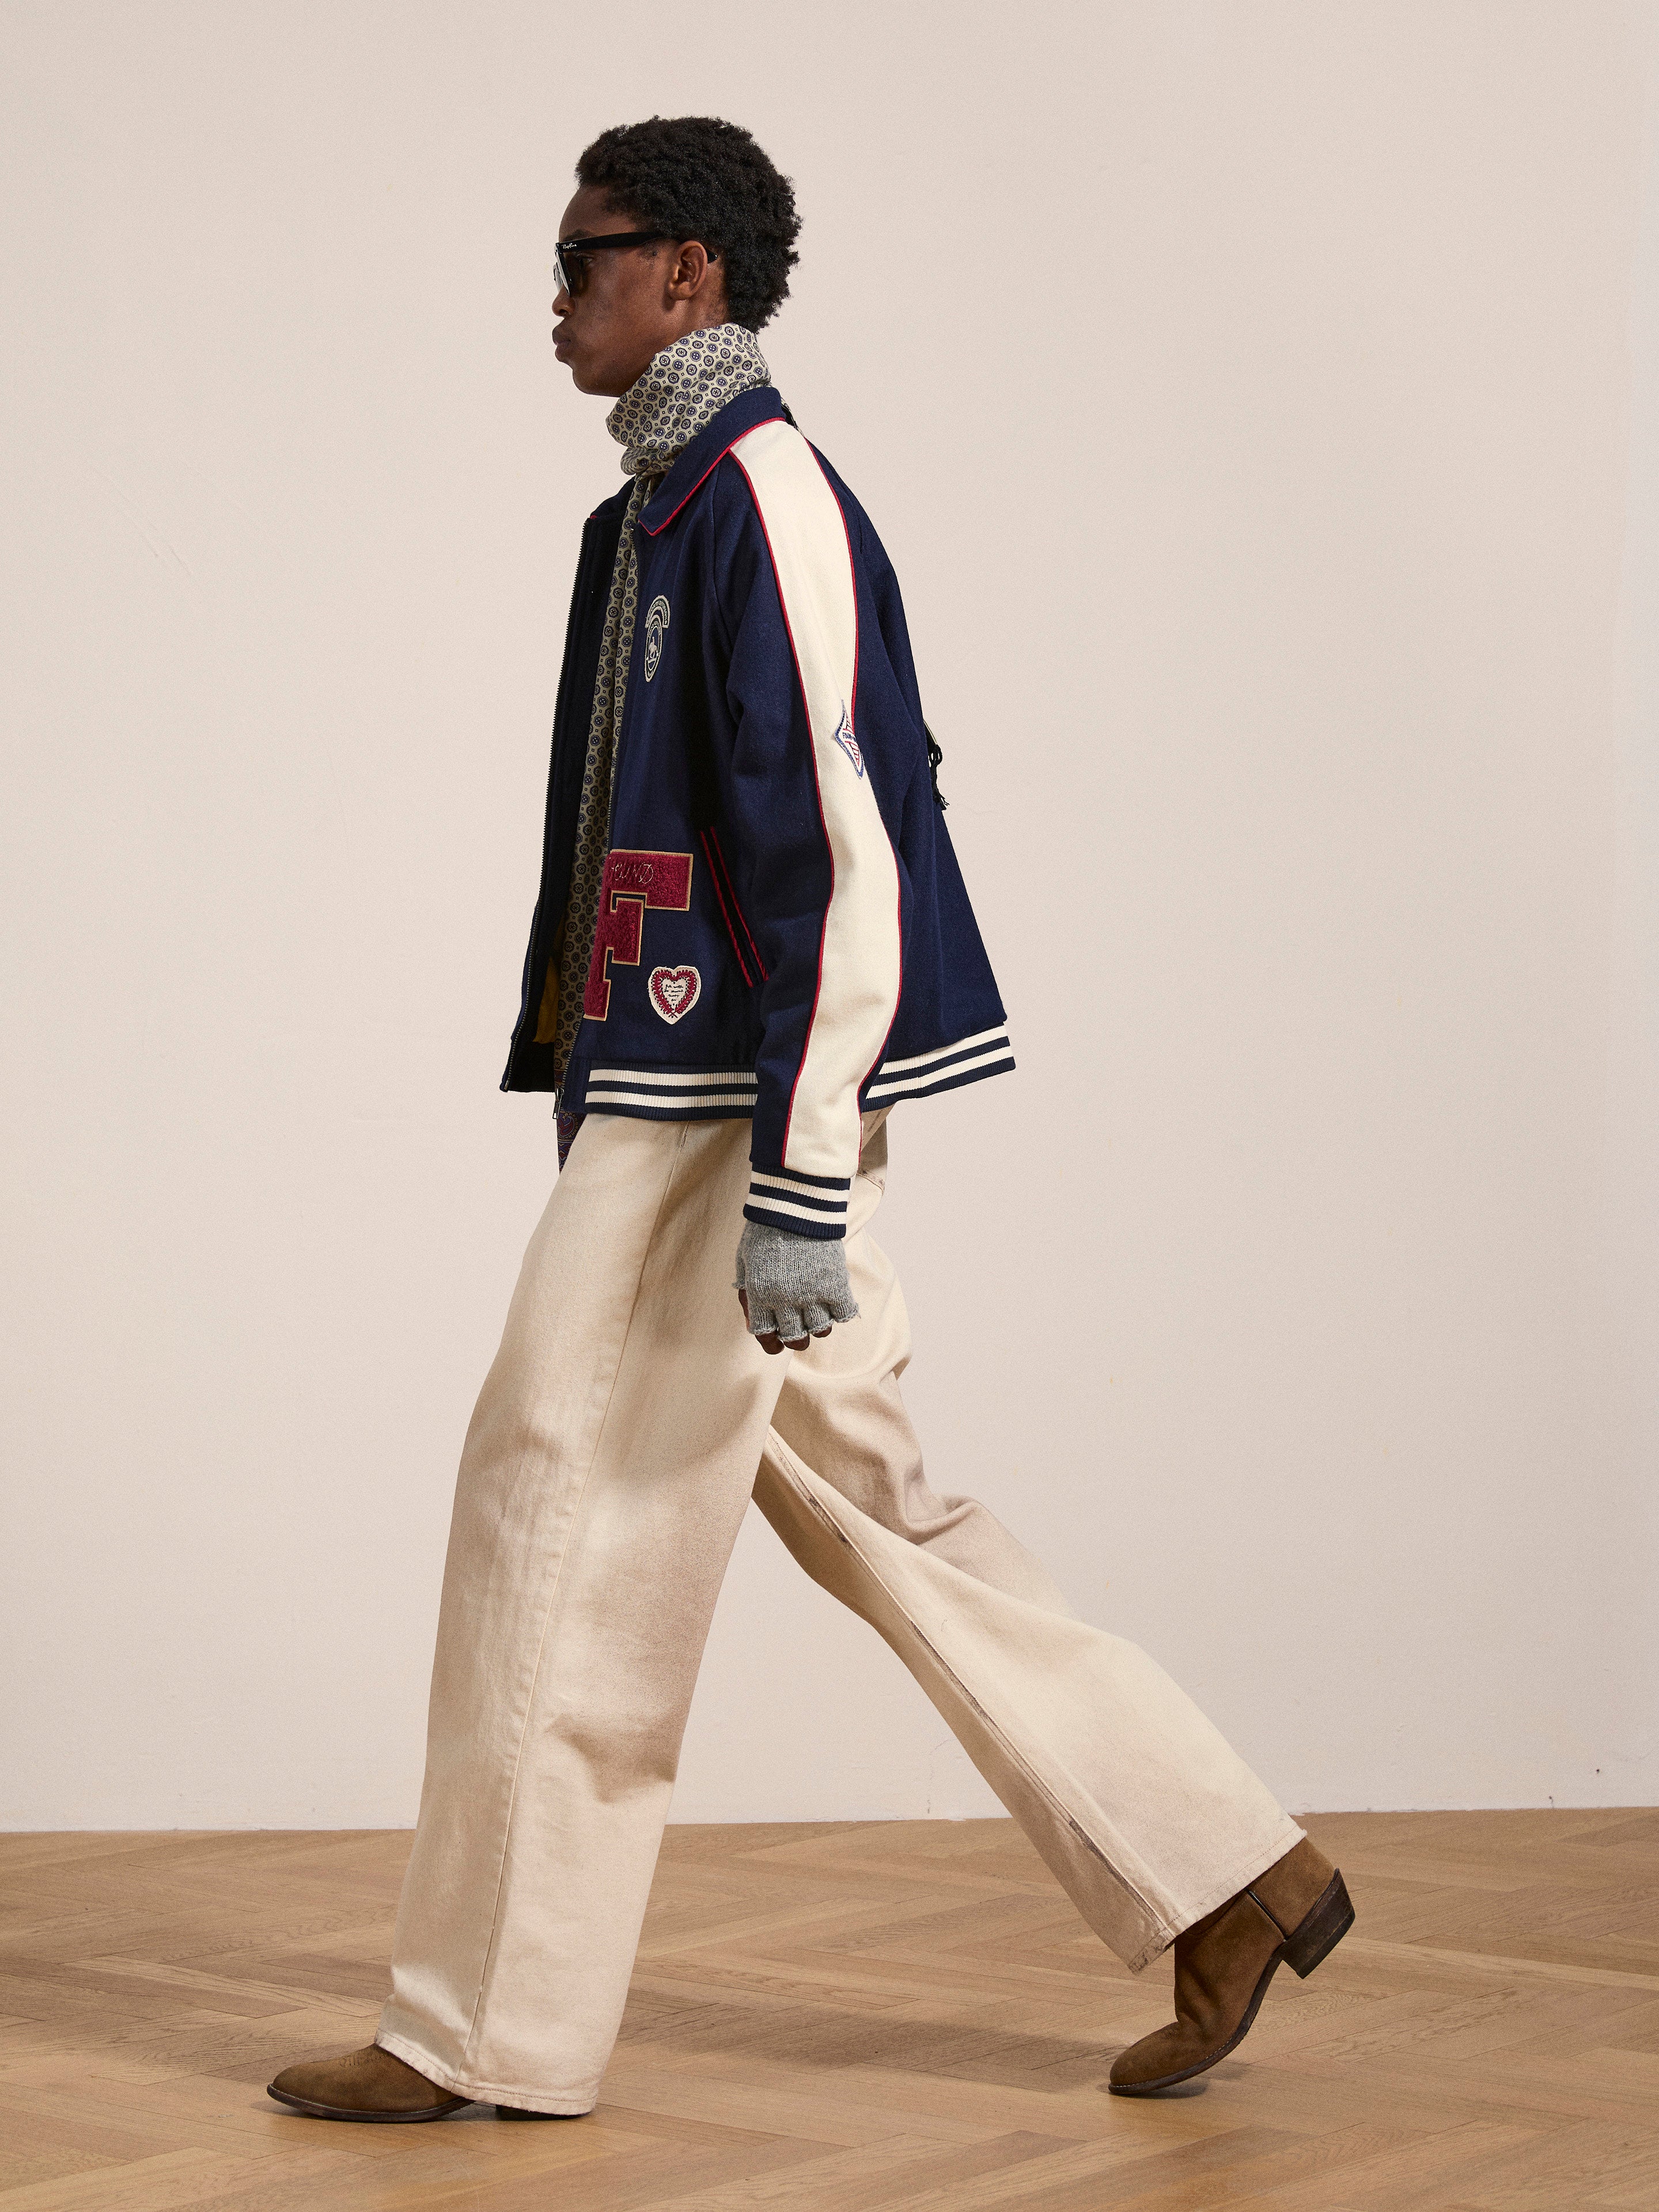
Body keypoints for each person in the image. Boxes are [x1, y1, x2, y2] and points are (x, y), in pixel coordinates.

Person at [267, 115, 1353, 2124]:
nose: (559, 297)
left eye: (586, 259)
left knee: (552, 1505)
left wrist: (797, 1168)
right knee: (873, 1497)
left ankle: (480, 2029)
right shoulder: (657, 514)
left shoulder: (758, 497)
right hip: (693, 1087)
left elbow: (842, 846)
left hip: (729, 1115)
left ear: (687, 276)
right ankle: (1225, 1871)